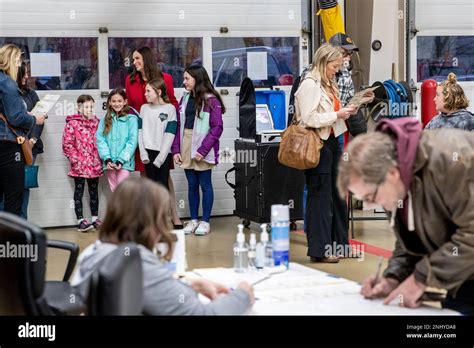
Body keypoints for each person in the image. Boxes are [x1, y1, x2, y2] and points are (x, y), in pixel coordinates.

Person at [337, 117, 474, 315]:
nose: (369, 204)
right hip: (462, 273)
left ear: (392, 173)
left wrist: (420, 278)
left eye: (370, 196)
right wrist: (394, 277)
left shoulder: (453, 160)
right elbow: (411, 233)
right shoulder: (398, 177)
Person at [71, 177, 255, 315]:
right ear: (149, 223)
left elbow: (146, 289)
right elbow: (202, 314)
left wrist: (189, 285)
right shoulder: (138, 263)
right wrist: (242, 295)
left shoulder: (94, 252)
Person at [295, 43, 359, 263]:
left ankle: (340, 245)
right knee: (320, 199)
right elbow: (309, 118)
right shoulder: (309, 85)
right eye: (334, 66)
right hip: (318, 145)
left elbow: (331, 114)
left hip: (333, 141)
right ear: (323, 62)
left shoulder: (328, 83)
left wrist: (347, 112)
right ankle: (319, 249)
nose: (336, 70)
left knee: (338, 196)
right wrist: (336, 114)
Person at [125, 46, 183, 228]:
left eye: (137, 59)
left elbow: (172, 104)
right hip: (142, 136)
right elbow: (129, 105)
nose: (134, 63)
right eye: (133, 60)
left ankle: (173, 215)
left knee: (164, 177)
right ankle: (149, 218)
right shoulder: (130, 80)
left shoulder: (165, 79)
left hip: (161, 137)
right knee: (145, 176)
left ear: (147, 59)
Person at [172, 65, 224, 236]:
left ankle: (205, 221)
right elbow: (179, 125)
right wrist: (176, 149)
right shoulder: (185, 98)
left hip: (203, 146)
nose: (184, 81)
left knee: (205, 184)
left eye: (187, 78)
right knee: (192, 184)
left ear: (197, 79)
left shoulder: (211, 100)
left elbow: (217, 128)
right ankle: (193, 220)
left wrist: (203, 149)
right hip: (186, 143)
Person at [0, 44, 46, 216]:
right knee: (13, 199)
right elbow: (15, 118)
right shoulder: (8, 83)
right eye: (19, 61)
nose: (20, 65)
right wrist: (34, 119)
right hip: (8, 146)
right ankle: (11, 241)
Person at [62, 94, 103, 232]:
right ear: (79, 107)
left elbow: (102, 141)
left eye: (91, 106)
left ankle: (95, 218)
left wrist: (100, 158)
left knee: (94, 192)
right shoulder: (72, 123)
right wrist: (75, 160)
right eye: (86, 106)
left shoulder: (97, 123)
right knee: (79, 191)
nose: (89, 109)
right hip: (79, 165)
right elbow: (67, 144)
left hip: (94, 164)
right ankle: (80, 220)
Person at [96, 88, 138, 192]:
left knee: (122, 191)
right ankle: (118, 209)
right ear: (109, 102)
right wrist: (107, 159)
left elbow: (132, 142)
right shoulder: (105, 120)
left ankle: (125, 209)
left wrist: (121, 159)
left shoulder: (131, 119)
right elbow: (101, 140)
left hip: (124, 163)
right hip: (109, 164)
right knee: (114, 190)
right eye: (114, 101)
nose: (117, 104)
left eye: (119, 101)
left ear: (125, 101)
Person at [138, 78, 177, 189]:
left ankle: (164, 207)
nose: (145, 94)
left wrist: (160, 159)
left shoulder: (170, 109)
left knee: (163, 187)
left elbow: (169, 135)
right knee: (151, 188)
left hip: (163, 154)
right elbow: (140, 132)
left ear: (159, 92)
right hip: (148, 154)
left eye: (148, 91)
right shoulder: (144, 108)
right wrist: (143, 154)